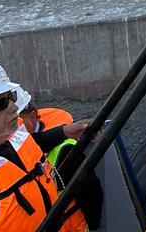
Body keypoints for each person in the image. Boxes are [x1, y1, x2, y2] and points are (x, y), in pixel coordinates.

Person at [0, 58, 82, 231]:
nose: (13, 107)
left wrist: (65, 131)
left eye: (11, 97)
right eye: (1, 103)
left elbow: (33, 144)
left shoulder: (12, 135)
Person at [17, 91, 102, 231]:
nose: (13, 131)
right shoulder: (20, 143)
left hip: (70, 225)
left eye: (17, 122)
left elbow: (91, 191)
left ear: (32, 117)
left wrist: (94, 226)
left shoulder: (65, 149)